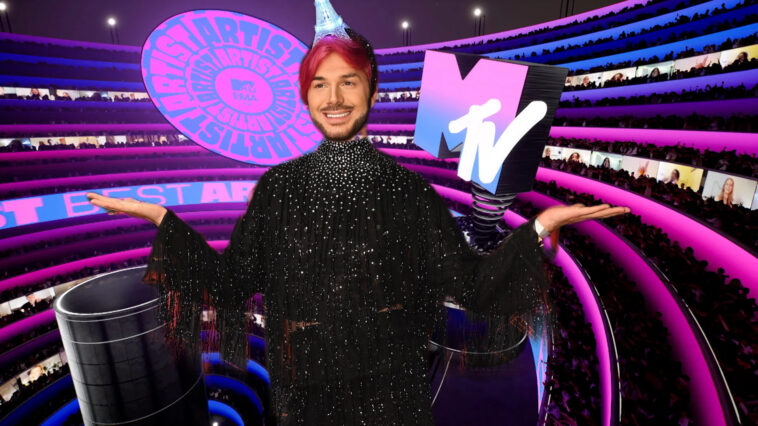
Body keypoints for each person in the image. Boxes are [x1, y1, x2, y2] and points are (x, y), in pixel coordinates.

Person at [86, 2, 629, 424]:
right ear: (306, 98)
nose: (334, 97)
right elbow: (233, 282)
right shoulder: (278, 188)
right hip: (306, 397)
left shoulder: (410, 191)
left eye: (348, 81)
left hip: (391, 394)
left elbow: (471, 285)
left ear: (371, 91)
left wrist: (539, 227)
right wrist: (162, 220)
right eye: (319, 84)